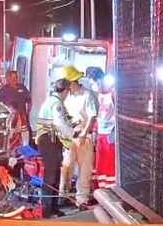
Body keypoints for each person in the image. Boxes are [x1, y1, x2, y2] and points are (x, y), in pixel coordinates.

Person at [34, 78, 75, 218]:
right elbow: (60, 123)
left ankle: (52, 206)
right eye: (68, 90)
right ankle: (47, 208)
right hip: (49, 141)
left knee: (55, 174)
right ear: (65, 90)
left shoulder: (51, 101)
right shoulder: (56, 103)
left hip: (49, 141)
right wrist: (72, 133)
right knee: (51, 175)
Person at [59, 66, 98, 208]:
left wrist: (84, 133)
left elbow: (92, 116)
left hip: (83, 137)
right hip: (69, 137)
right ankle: (63, 195)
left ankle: (82, 199)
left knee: (84, 169)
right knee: (66, 166)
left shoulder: (87, 95)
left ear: (73, 82)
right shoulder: (67, 96)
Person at [89, 68, 116, 190]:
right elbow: (98, 115)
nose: (94, 86)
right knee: (100, 163)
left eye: (95, 83)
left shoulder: (113, 93)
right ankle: (100, 188)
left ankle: (111, 188)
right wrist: (95, 132)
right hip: (101, 133)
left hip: (110, 133)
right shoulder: (98, 96)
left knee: (109, 164)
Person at [0, 70, 31, 142]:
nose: (14, 79)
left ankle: (26, 147)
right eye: (12, 78)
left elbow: (29, 100)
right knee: (10, 135)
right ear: (7, 79)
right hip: (10, 117)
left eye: (16, 77)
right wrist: (10, 109)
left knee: (25, 132)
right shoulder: (3, 90)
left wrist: (28, 111)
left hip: (22, 115)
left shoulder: (22, 87)